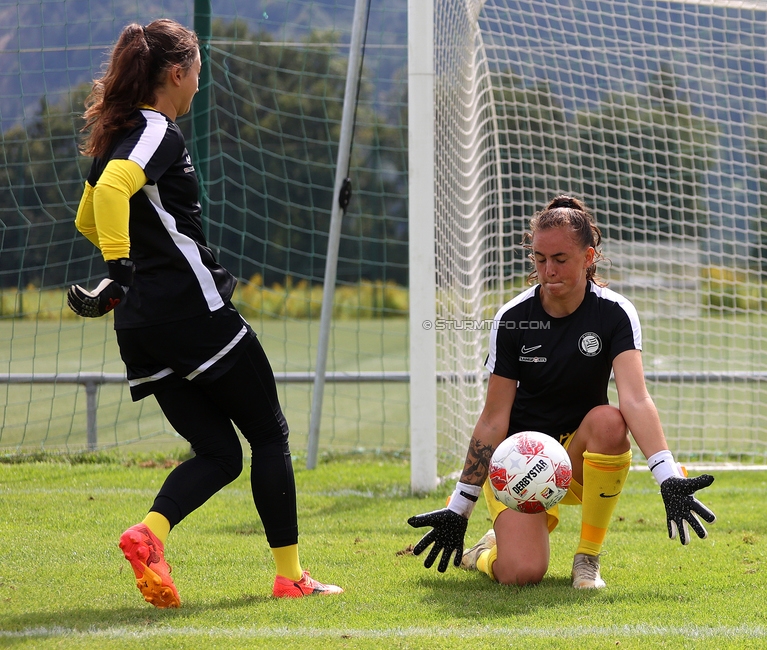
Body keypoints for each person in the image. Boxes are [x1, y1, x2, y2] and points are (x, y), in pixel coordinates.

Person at [68, 19, 342, 607]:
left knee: (220, 453)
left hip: (141, 326)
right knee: (270, 435)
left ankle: (150, 534)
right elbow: (112, 199)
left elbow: (86, 221)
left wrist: (127, 274)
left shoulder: (116, 136)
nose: (199, 84)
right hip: (194, 312)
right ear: (176, 73)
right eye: (196, 72)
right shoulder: (153, 130)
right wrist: (121, 270)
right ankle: (291, 578)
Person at [408, 195, 716, 588]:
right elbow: (493, 417)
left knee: (609, 421)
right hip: (518, 461)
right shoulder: (513, 318)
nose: (548, 270)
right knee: (521, 573)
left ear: (588, 256)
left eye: (560, 259)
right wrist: (459, 506)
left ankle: (587, 559)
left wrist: (668, 476)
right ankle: (484, 552)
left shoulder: (615, 313)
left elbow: (635, 399)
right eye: (539, 259)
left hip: (579, 455)